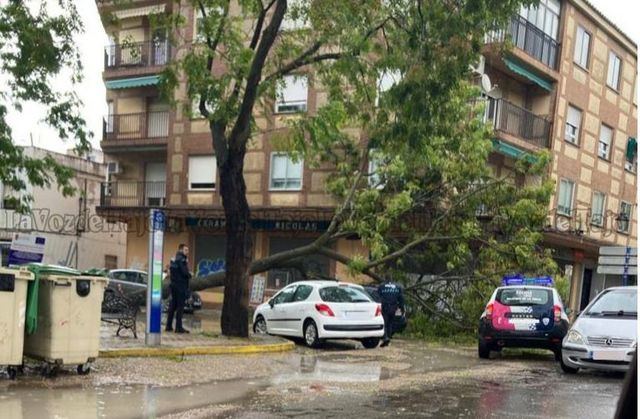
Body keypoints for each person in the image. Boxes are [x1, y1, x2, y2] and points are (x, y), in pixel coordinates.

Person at [166, 243, 192, 333]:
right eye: (186, 250)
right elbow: (184, 272)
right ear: (181, 250)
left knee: (173, 306)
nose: (187, 252)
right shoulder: (182, 259)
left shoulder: (173, 258)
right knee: (180, 307)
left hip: (173, 285)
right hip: (181, 286)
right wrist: (189, 275)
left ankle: (168, 326)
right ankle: (178, 327)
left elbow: (172, 271)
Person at [377, 279, 405, 347]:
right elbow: (401, 298)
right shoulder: (398, 286)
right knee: (390, 323)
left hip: (384, 307)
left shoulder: (381, 286)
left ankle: (385, 338)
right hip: (393, 307)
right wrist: (402, 308)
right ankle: (388, 338)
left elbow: (377, 296)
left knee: (384, 323)